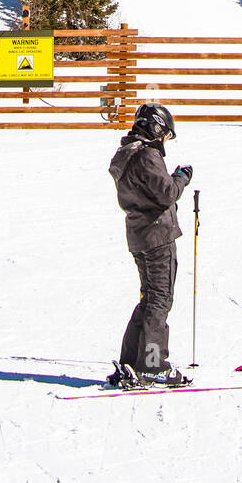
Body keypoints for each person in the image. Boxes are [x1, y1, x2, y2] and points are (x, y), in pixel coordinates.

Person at [107, 102, 193, 387]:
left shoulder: (127, 153)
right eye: (165, 134)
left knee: (149, 298)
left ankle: (131, 361)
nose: (165, 140)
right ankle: (154, 365)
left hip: (139, 234)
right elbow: (166, 193)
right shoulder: (147, 155)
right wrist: (181, 177)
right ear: (155, 128)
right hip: (157, 236)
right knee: (159, 299)